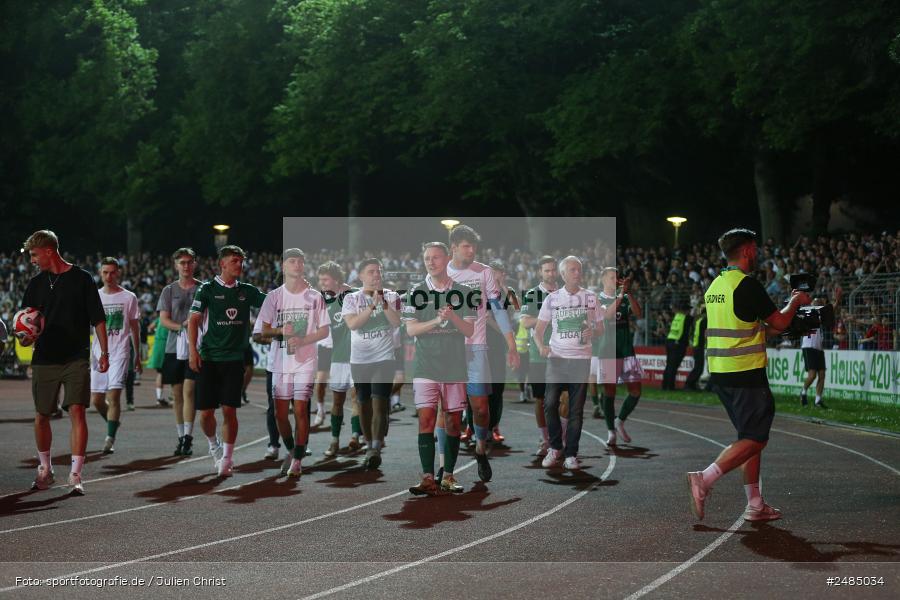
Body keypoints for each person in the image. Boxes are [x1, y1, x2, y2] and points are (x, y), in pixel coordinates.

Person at [687, 228, 810, 522]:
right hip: (745, 373)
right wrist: (795, 302)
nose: (756, 254)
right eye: (754, 249)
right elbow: (778, 322)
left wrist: (781, 325)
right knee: (755, 438)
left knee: (750, 435)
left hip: (721, 372)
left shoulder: (715, 286)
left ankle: (755, 503)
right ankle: (704, 478)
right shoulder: (747, 285)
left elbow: (750, 328)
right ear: (745, 251)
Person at [21, 230, 108, 495]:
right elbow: (26, 323)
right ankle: (45, 470)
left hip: (76, 356)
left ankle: (75, 474)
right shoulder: (35, 284)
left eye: (35, 255)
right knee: (41, 415)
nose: (32, 260)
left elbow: (98, 318)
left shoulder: (82, 279)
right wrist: (25, 339)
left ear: (49, 251)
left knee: (77, 411)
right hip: (45, 356)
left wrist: (104, 353)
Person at [446, 225, 518, 482]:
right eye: (466, 246)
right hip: (449, 349)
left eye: (473, 246)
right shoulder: (442, 271)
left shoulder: (484, 272)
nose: (471, 250)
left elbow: (498, 308)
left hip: (477, 348)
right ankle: (447, 469)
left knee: (482, 407)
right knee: (450, 411)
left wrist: (511, 343)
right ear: (453, 246)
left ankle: (480, 447)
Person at [404, 242, 476, 495]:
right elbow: (411, 329)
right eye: (426, 258)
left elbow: (469, 330)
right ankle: (426, 477)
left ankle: (447, 475)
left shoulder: (464, 292)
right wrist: (437, 319)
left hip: (454, 366)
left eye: (435, 257)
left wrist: (453, 317)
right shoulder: (415, 292)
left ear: (447, 258)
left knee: (454, 422)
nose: (430, 262)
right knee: (426, 419)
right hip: (425, 366)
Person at [188, 245, 266, 477]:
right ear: (222, 264)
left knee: (230, 410)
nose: (239, 265)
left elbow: (274, 302)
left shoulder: (247, 291)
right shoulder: (207, 290)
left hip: (234, 359)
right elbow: (193, 321)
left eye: (241, 261)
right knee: (205, 413)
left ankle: (227, 459)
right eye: (234, 261)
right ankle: (214, 446)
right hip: (209, 358)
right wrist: (193, 351)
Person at [258, 249, 329, 477]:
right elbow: (260, 332)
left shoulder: (314, 297)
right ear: (284, 266)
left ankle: (297, 460)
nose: (297, 265)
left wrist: (303, 340)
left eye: (300, 261)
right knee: (280, 414)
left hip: (305, 361)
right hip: (279, 362)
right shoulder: (273, 297)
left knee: (300, 409)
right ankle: (292, 450)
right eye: (292, 261)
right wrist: (281, 331)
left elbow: (324, 330)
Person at [534, 256, 604, 470]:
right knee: (549, 403)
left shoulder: (591, 298)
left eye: (579, 270)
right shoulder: (553, 299)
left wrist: (594, 330)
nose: (577, 273)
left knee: (575, 409)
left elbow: (601, 328)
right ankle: (555, 447)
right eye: (572, 270)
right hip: (556, 358)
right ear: (563, 275)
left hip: (580, 360)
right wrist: (541, 347)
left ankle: (571, 453)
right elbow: (538, 331)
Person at [342, 258, 401, 470]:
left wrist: (382, 302)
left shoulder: (392, 295)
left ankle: (375, 447)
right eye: (371, 271)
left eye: (379, 271)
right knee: (363, 404)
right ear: (361, 276)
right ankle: (368, 445)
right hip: (359, 360)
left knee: (379, 403)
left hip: (384, 358)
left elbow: (396, 322)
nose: (376, 275)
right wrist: (372, 306)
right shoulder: (351, 298)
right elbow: (353, 324)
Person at [90, 258, 142, 455]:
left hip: (120, 352)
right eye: (105, 272)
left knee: (114, 396)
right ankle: (113, 422)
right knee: (96, 399)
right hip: (98, 353)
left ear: (118, 273)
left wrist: (137, 355)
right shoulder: (94, 297)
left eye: (112, 272)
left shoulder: (129, 297)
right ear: (100, 273)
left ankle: (109, 439)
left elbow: (135, 329)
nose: (109, 276)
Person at [157, 248, 200, 456]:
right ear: (176, 265)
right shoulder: (169, 290)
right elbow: (163, 319)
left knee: (189, 390)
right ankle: (180, 435)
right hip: (174, 347)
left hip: (196, 347)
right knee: (177, 393)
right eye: (182, 262)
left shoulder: (203, 289)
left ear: (195, 264)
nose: (186, 266)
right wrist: (181, 326)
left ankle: (188, 438)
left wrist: (192, 327)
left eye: (189, 262)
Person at [595, 268, 644, 445]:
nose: (615, 280)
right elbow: (607, 315)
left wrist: (628, 293)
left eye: (617, 277)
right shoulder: (597, 298)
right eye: (611, 277)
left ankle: (620, 420)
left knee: (636, 391)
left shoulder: (623, 296)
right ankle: (610, 431)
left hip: (626, 349)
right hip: (608, 350)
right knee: (610, 392)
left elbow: (639, 314)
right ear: (603, 279)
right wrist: (622, 294)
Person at [519, 256, 558, 457]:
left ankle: (560, 439)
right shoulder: (533, 294)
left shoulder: (565, 293)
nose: (550, 274)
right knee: (541, 399)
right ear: (540, 273)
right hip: (539, 355)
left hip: (564, 355)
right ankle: (544, 439)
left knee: (564, 399)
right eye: (547, 270)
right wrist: (548, 318)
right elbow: (525, 323)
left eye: (553, 270)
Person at [316, 261, 354, 457]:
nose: (321, 283)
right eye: (320, 279)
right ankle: (334, 440)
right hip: (338, 357)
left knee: (358, 399)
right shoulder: (321, 302)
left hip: (357, 357)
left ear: (337, 280)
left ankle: (358, 437)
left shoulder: (353, 295)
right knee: (337, 401)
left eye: (325, 279)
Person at [800, 295, 829, 409]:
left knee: (822, 374)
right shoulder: (808, 314)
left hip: (818, 348)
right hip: (809, 346)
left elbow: (829, 313)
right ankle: (803, 392)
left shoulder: (819, 316)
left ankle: (818, 400)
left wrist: (836, 302)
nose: (817, 304)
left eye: (819, 302)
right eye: (815, 302)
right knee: (812, 375)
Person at [662, 302, 692, 390]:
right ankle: (670, 386)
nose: (690, 312)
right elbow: (693, 319)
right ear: (686, 311)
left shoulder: (677, 316)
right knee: (673, 366)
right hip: (677, 344)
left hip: (670, 341)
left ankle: (665, 385)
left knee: (669, 365)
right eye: (689, 310)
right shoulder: (686, 318)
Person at [684, 303, 707, 391]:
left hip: (696, 345)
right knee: (698, 368)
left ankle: (692, 385)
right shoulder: (704, 320)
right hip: (699, 346)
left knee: (698, 367)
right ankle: (689, 384)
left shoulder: (699, 320)